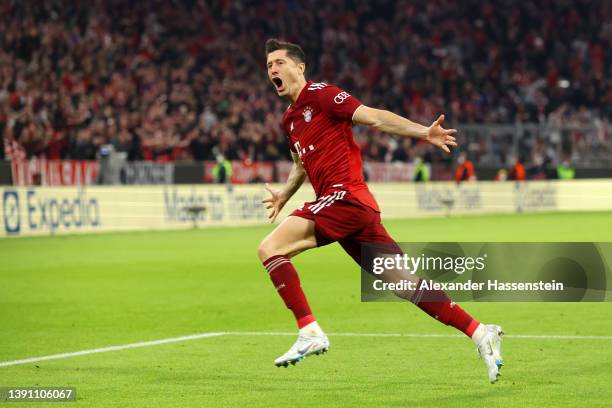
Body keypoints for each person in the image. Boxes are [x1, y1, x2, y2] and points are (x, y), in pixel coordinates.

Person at [258, 39, 503, 383]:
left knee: (270, 248)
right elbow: (301, 163)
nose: (273, 70)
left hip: (344, 198)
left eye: (279, 62)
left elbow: (373, 117)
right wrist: (284, 194)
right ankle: (480, 332)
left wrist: (423, 132)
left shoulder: (323, 94)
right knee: (403, 283)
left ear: (299, 67)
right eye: (269, 65)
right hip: (356, 211)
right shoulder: (290, 119)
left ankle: (309, 331)